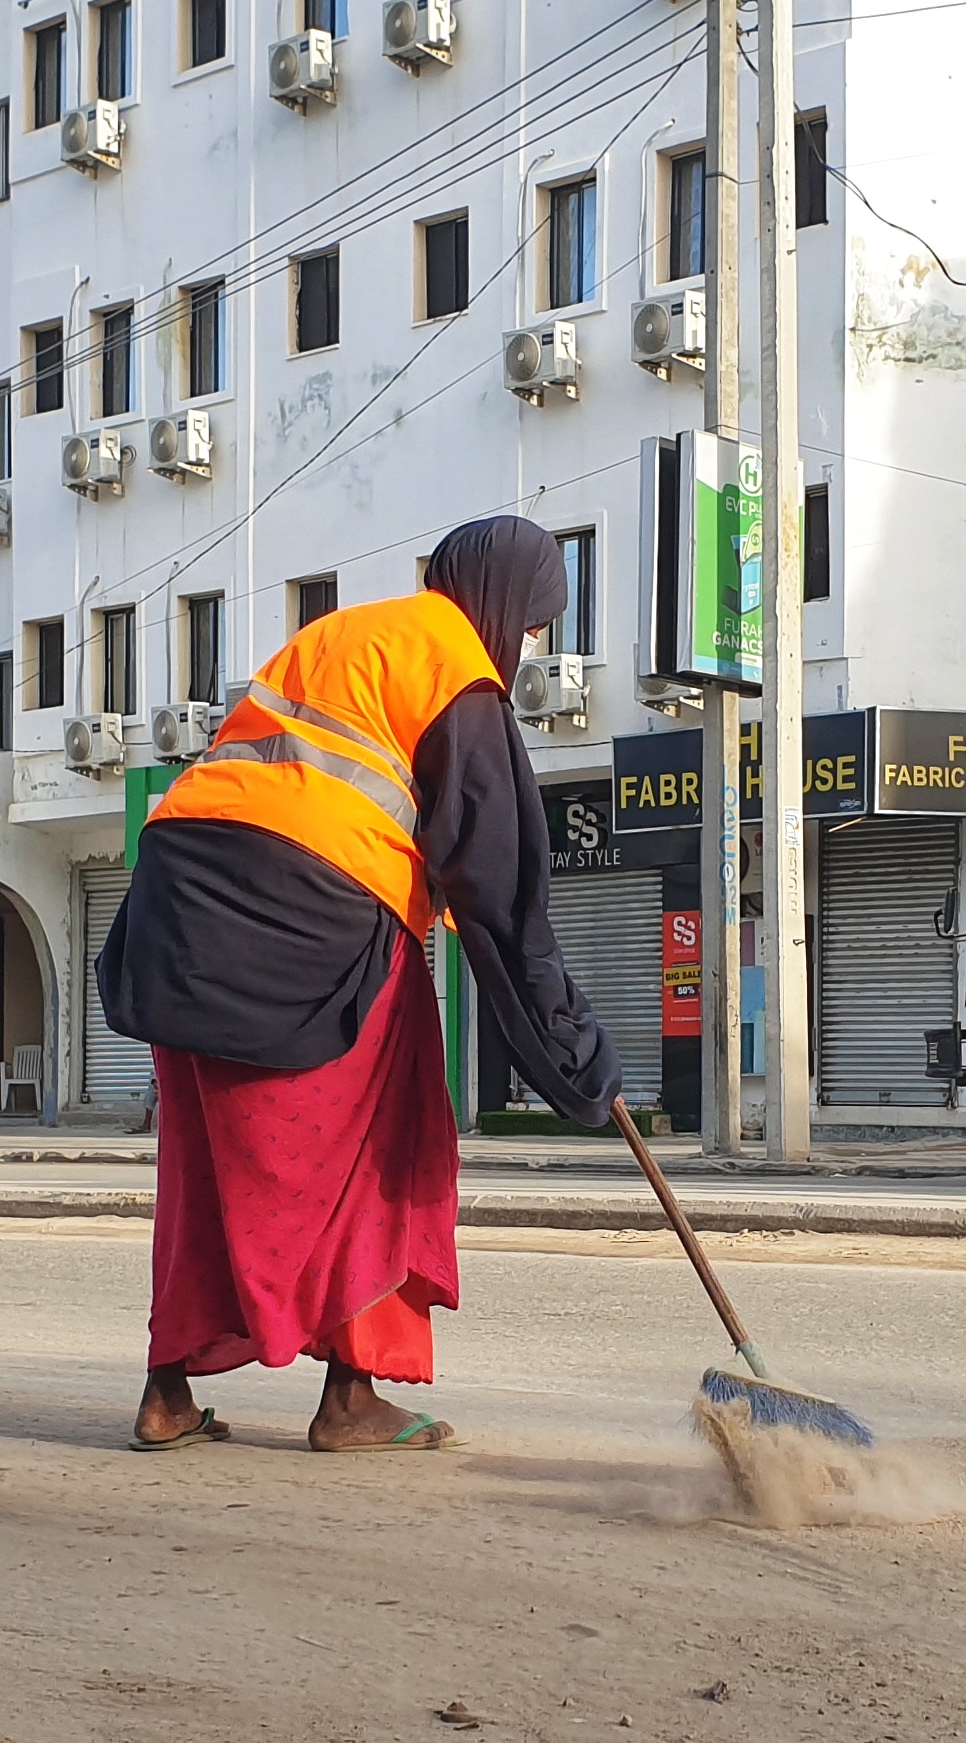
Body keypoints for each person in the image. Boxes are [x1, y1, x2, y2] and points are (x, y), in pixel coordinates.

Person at [97, 514, 621, 1453]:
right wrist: (576, 1049)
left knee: (205, 1164)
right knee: (401, 1141)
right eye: (537, 621)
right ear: (505, 602)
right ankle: (349, 1400)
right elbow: (501, 896)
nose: (532, 643)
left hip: (176, 912)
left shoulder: (341, 633)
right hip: (306, 915)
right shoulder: (457, 676)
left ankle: (166, 1393)